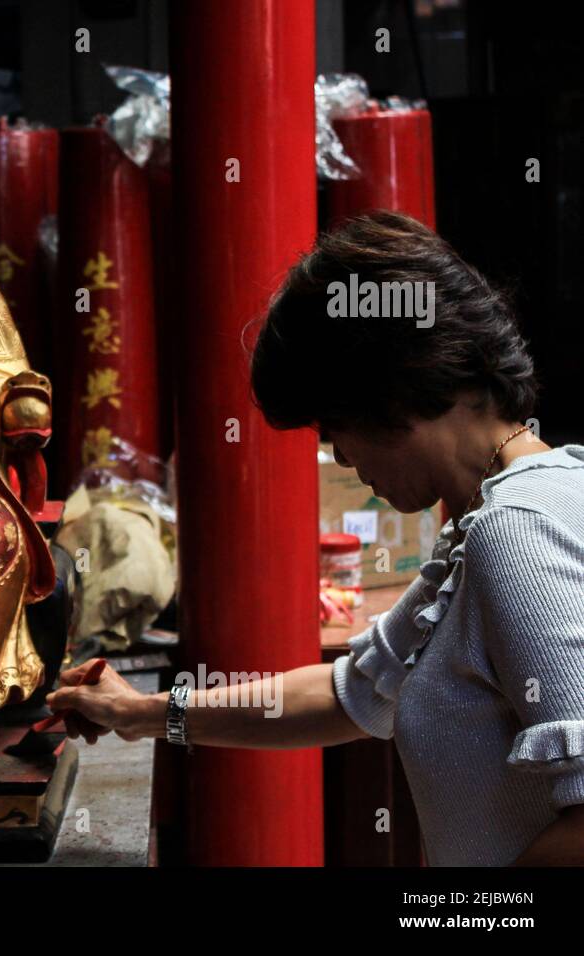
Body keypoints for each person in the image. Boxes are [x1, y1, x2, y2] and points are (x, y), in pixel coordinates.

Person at [46, 211, 584, 865]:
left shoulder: (516, 533)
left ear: (388, 391)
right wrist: (144, 714)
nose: (345, 462)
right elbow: (349, 693)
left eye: (333, 430)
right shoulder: (502, 513)